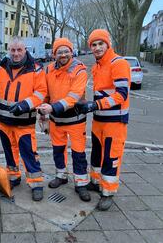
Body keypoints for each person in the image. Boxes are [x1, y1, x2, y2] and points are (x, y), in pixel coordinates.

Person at [0, 36, 47, 201]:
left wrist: (25, 104)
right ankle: (13, 176)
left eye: (19, 50)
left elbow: (40, 93)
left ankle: (36, 182)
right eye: (13, 50)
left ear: (25, 50)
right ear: (8, 50)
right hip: (4, 122)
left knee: (29, 153)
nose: (16, 54)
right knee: (10, 152)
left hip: (24, 122)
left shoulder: (36, 69)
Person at [75, 29, 130, 210]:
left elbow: (121, 95)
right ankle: (96, 182)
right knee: (97, 155)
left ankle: (108, 192)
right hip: (99, 121)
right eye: (94, 45)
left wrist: (95, 105)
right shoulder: (97, 66)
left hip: (115, 122)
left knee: (111, 157)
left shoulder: (118, 63)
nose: (97, 48)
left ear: (108, 44)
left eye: (100, 44)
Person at [37, 38, 90, 202]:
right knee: (58, 151)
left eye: (66, 50)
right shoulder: (49, 70)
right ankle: (61, 176)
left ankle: (81, 184)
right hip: (56, 121)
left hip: (75, 120)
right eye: (59, 51)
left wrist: (52, 108)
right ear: (54, 54)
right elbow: (46, 93)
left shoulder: (79, 70)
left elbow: (74, 96)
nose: (63, 54)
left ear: (71, 52)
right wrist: (42, 113)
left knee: (78, 153)